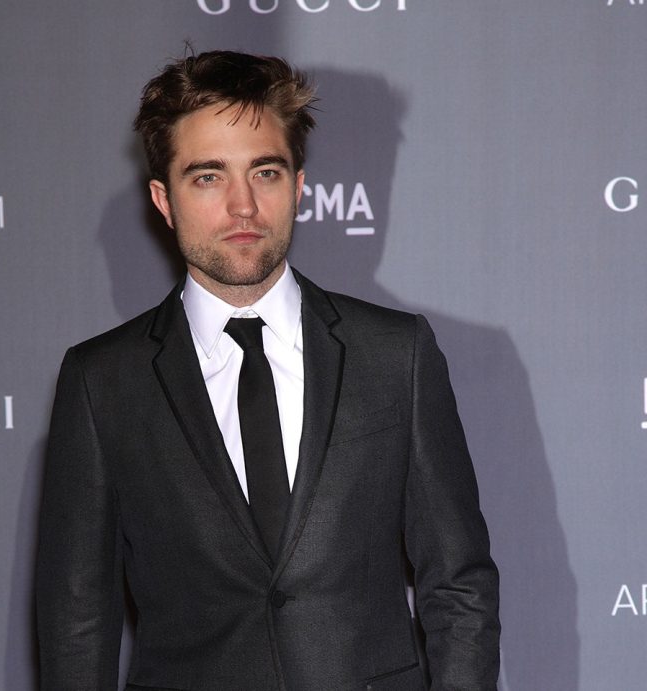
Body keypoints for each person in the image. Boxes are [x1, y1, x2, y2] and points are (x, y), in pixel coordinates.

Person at [36, 50, 500, 690]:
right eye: (208, 177)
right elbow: (76, 622)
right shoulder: (102, 382)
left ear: (299, 187)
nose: (243, 206)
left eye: (265, 172)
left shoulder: (396, 354)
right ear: (163, 200)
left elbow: (459, 586)